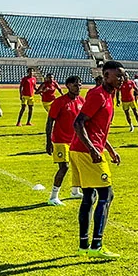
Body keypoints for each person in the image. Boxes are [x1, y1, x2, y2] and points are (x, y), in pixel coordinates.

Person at [71, 60, 125, 259]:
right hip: (87, 152)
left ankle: (84, 245)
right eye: (117, 75)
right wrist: (93, 149)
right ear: (106, 75)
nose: (121, 79)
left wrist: (110, 149)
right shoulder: (98, 95)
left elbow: (98, 128)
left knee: (89, 197)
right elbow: (79, 123)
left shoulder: (108, 95)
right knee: (106, 195)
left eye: (122, 75)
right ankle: (97, 245)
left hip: (82, 149)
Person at [45, 76, 85, 205]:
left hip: (75, 140)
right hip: (60, 140)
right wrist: (48, 141)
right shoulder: (59, 102)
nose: (78, 87)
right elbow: (50, 121)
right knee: (64, 167)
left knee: (77, 166)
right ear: (67, 86)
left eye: (79, 85)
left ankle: (75, 191)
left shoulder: (81, 101)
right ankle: (53, 196)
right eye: (75, 85)